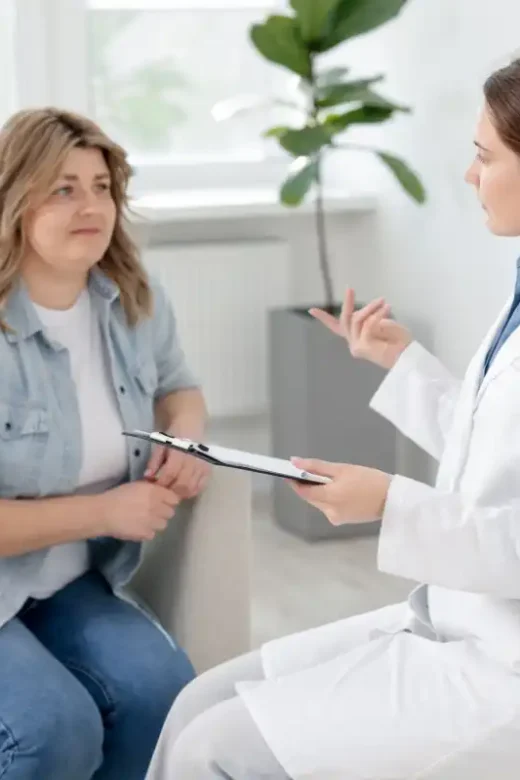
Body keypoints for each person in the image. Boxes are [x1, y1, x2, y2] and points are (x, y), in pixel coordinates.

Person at [145, 57, 520, 780]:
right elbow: (496, 460)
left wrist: (388, 503)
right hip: (460, 617)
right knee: (196, 702)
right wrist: (405, 365)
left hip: (502, 663)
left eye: (485, 156)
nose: (470, 176)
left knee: (208, 750)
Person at [0, 107, 211, 780]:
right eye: (63, 188)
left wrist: (187, 436)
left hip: (68, 580)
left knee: (167, 694)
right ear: (14, 200)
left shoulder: (132, 298)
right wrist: (104, 513)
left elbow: (180, 385)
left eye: (101, 186)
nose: (90, 205)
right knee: (51, 728)